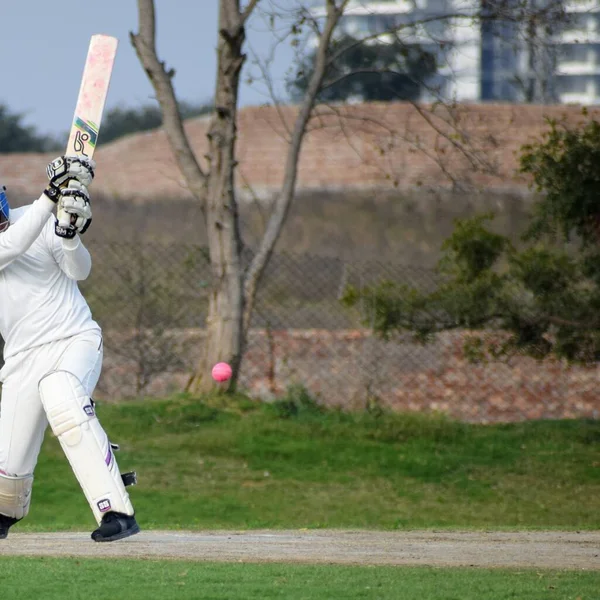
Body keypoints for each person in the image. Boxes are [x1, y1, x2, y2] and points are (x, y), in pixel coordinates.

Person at [0, 156, 139, 542]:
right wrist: (52, 196)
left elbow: (79, 271)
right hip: (22, 358)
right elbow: (10, 245)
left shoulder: (36, 217)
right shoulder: (34, 218)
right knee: (9, 463)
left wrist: (69, 236)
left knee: (61, 393)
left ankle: (117, 511)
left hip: (73, 338)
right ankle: (4, 512)